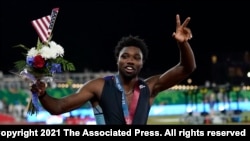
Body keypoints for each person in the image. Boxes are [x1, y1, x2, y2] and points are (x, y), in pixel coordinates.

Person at [31, 14, 196, 125]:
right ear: (117, 61)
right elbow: (59, 107)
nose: (130, 60)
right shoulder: (99, 86)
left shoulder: (150, 87)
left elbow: (186, 68)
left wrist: (183, 43)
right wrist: (43, 94)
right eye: (125, 56)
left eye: (136, 57)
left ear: (142, 63)